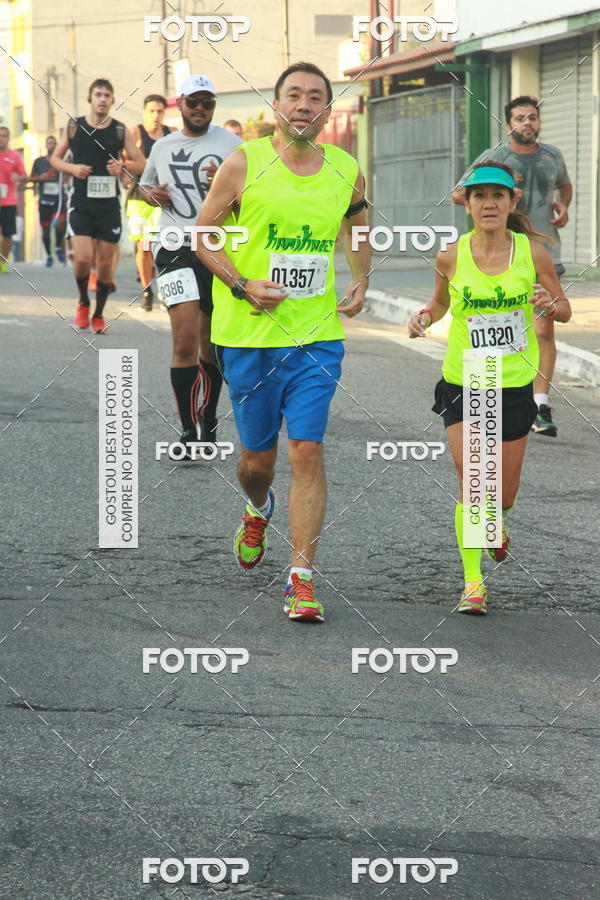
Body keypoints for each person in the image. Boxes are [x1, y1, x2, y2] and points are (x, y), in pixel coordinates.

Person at [196, 61, 370, 624]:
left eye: (315, 97)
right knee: (257, 461)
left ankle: (301, 579)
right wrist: (242, 284)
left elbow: (358, 226)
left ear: (327, 110)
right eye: (293, 95)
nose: (303, 104)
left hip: (315, 337)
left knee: (307, 451)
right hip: (248, 337)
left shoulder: (345, 168)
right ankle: (257, 506)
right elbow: (204, 235)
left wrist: (361, 278)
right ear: (276, 106)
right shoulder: (243, 162)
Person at [411, 162, 571, 615]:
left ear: (512, 202)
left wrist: (549, 305)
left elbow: (564, 309)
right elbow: (440, 302)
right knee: (476, 480)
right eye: (479, 195)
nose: (488, 204)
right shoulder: (450, 256)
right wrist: (424, 316)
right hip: (466, 379)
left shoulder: (532, 254)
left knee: (504, 495)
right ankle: (472, 582)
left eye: (497, 195)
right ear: (467, 204)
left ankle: (495, 521)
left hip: (514, 384)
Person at [452, 95, 572, 438]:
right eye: (520, 118)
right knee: (499, 325)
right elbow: (459, 192)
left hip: (544, 251)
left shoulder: (552, 156)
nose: (527, 123)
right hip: (499, 251)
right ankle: (495, 396)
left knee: (544, 329)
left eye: (532, 117)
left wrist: (563, 206)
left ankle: (540, 405)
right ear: (508, 125)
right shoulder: (495, 158)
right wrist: (494, 203)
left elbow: (564, 186)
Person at [139, 74, 241, 453]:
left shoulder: (232, 145)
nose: (199, 109)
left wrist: (226, 184)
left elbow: (251, 196)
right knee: (183, 342)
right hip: (174, 247)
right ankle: (186, 429)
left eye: (207, 103)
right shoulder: (163, 146)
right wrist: (151, 194)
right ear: (179, 104)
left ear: (214, 106)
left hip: (216, 248)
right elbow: (144, 186)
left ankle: (208, 419)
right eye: (193, 102)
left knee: (210, 345)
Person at [50, 78, 146, 333]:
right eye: (98, 94)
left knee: (105, 265)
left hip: (108, 206)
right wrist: (73, 168)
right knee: (82, 258)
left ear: (112, 100)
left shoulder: (119, 130)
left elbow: (142, 163)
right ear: (90, 98)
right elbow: (55, 159)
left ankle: (99, 314)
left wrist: (123, 166)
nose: (103, 99)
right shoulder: (75, 126)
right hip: (80, 202)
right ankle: (83, 301)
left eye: (107, 95)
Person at [122, 94, 172, 311]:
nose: (156, 115)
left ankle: (165, 288)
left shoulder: (172, 134)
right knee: (144, 245)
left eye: (160, 111)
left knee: (164, 244)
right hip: (139, 196)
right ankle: (146, 289)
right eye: (151, 111)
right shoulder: (135, 133)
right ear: (144, 112)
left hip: (163, 196)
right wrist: (144, 166)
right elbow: (123, 162)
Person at [28, 136, 67, 266]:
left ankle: (57, 247)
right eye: (50, 143)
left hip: (59, 200)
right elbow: (31, 178)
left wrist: (65, 180)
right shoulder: (39, 162)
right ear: (46, 145)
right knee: (45, 232)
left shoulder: (61, 161)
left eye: (55, 143)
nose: (52, 145)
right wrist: (41, 178)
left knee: (60, 225)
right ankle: (49, 255)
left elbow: (68, 175)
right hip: (44, 201)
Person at [0, 126, 27, 273]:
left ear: (8, 138)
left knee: (8, 234)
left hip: (8, 201)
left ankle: (2, 262)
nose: (1, 139)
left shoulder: (14, 156)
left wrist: (17, 177)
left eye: (4, 136)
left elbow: (24, 175)